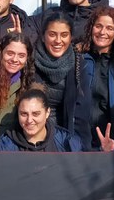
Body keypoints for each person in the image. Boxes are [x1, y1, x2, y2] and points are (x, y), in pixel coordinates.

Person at [32, 13, 92, 149]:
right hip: (33, 137)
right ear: (43, 36)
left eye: (64, 35)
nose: (58, 40)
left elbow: (81, 115)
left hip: (64, 140)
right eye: (52, 34)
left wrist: (82, 149)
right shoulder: (29, 60)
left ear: (71, 38)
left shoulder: (79, 63)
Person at [76, 6, 114, 148]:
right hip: (81, 139)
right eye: (98, 26)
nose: (102, 32)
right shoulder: (79, 58)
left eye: (110, 28)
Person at [0, 88, 83, 152]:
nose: (29, 120)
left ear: (47, 113)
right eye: (24, 114)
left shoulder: (67, 142)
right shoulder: (6, 145)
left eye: (35, 114)